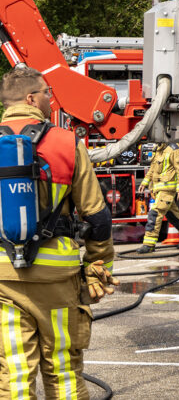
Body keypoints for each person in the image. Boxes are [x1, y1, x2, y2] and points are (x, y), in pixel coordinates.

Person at [0, 67, 118, 398]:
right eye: (47, 93)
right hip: (57, 279)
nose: (51, 100)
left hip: (3, 281)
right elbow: (97, 217)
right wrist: (99, 267)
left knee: (15, 373)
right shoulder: (66, 142)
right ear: (31, 98)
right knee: (63, 369)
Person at [137, 142, 179, 254]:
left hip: (167, 190)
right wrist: (144, 183)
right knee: (173, 215)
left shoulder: (173, 149)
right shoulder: (158, 148)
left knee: (155, 213)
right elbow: (152, 169)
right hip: (158, 189)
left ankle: (149, 244)